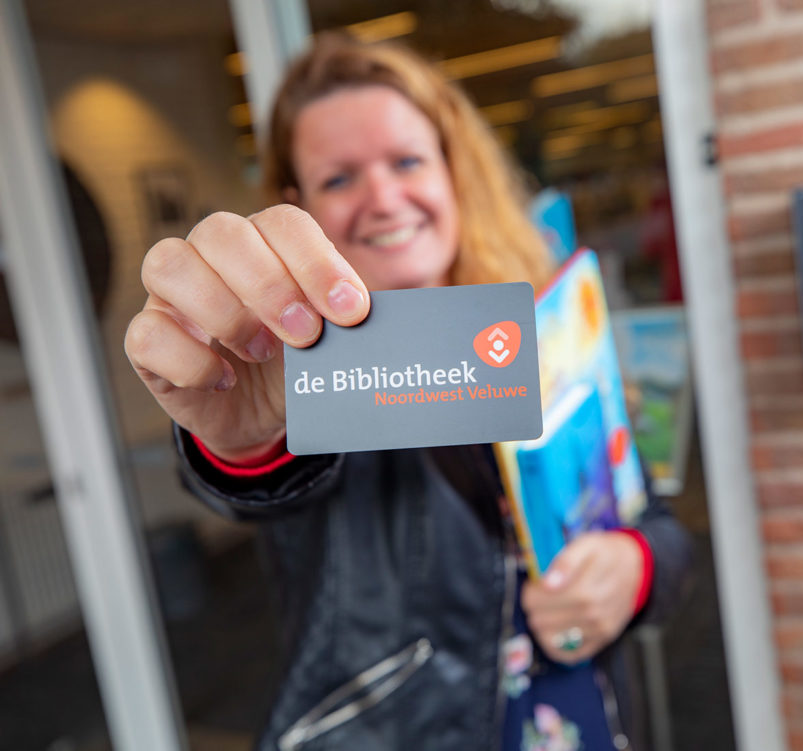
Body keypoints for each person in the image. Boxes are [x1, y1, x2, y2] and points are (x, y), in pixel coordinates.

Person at [125, 32, 690, 751]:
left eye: (407, 161)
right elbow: (264, 481)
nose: (384, 197)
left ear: (454, 174)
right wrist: (243, 438)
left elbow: (656, 519)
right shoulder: (304, 376)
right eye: (339, 179)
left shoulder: (546, 328)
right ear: (299, 208)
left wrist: (635, 570)